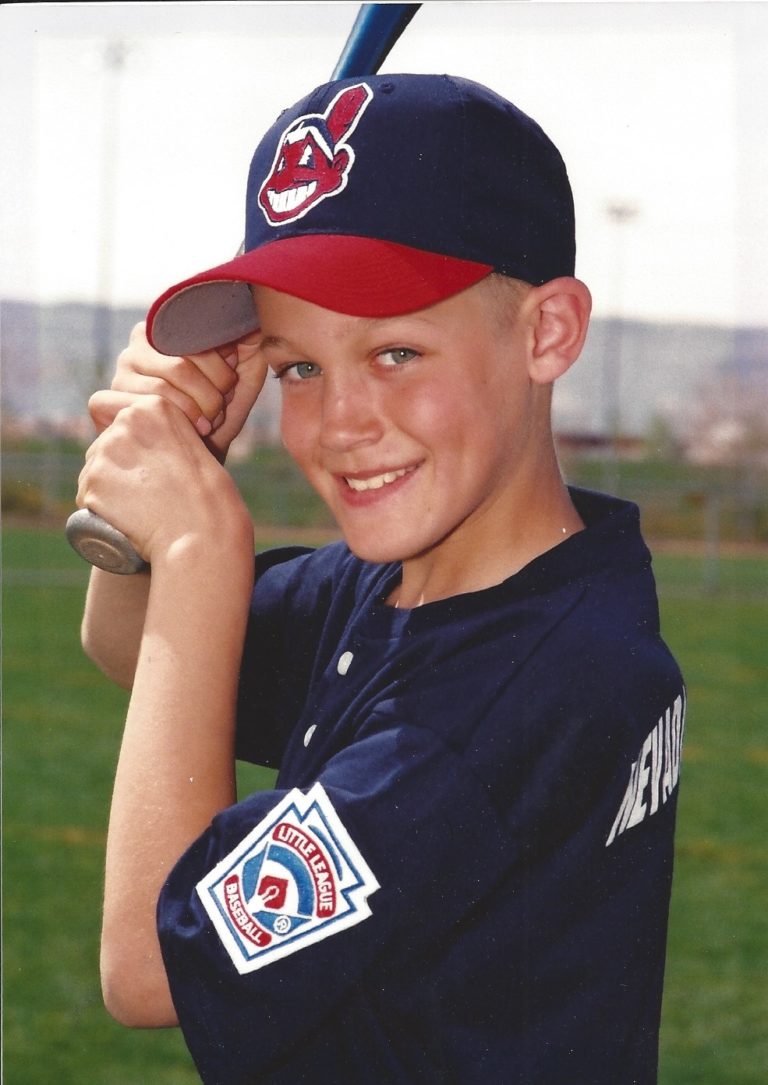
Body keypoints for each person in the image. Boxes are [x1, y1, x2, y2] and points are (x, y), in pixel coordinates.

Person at [77, 73, 686, 1084]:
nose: (340, 422)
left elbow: (150, 966)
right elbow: (129, 653)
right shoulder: (422, 584)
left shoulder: (517, 694)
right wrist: (166, 486)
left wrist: (195, 552)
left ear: (548, 332)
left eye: (396, 349)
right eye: (298, 367)